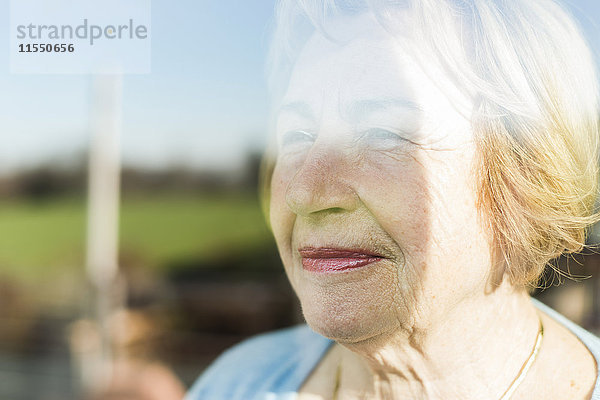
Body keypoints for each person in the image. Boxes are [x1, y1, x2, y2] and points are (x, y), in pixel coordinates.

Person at [186, 0, 600, 398]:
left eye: (384, 132)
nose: (305, 193)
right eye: (297, 136)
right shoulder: (233, 383)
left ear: (525, 180)